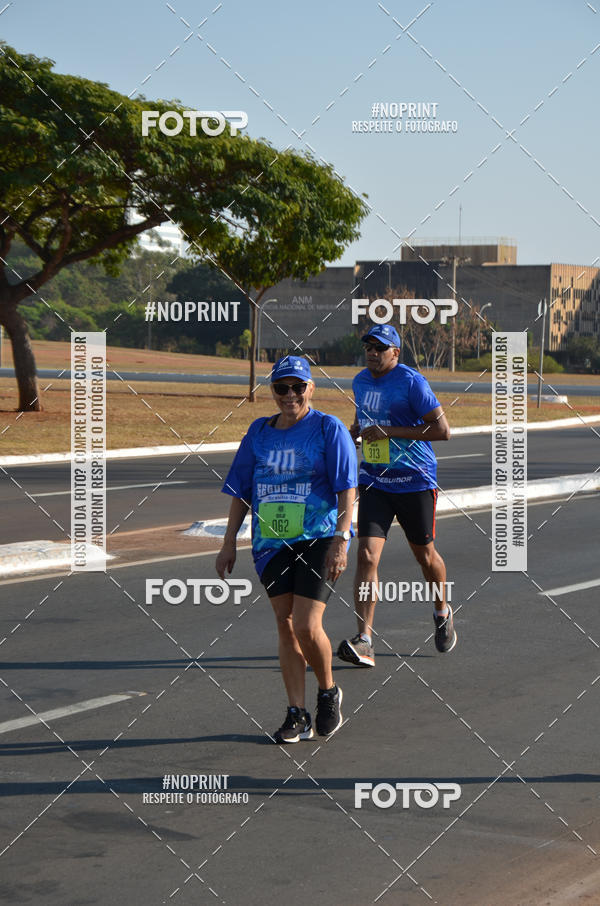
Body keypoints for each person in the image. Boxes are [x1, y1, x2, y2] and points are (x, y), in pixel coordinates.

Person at [216, 355, 357, 744]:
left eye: (298, 387)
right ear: (272, 391)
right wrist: (229, 542)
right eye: (282, 388)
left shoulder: (327, 428)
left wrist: (342, 540)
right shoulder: (259, 432)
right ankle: (297, 713)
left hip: (318, 537)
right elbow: (241, 490)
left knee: (306, 625)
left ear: (311, 389)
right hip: (270, 542)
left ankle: (328, 691)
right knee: (284, 624)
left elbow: (347, 487)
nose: (290, 395)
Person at [337, 323, 456, 668]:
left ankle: (441, 611)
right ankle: (365, 639)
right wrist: (354, 434)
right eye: (368, 348)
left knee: (425, 556)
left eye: (380, 348)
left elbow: (442, 430)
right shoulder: (360, 381)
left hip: (415, 481)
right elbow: (363, 419)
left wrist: (389, 431)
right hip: (375, 480)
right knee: (367, 557)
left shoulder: (411, 382)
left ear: (396, 353)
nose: (373, 353)